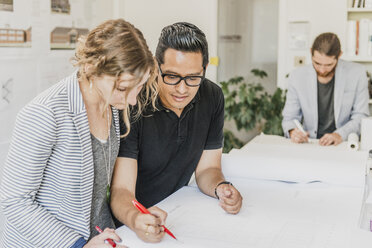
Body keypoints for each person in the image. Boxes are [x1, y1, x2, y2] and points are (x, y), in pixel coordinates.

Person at [0, 19, 157, 247]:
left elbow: (93, 194)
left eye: (139, 87)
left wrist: (135, 219)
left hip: (98, 237)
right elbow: (15, 202)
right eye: (123, 88)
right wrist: (78, 244)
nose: (131, 100)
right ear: (92, 68)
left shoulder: (110, 104)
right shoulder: (45, 112)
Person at [110, 22, 243, 243]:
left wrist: (221, 188)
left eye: (193, 78)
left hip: (179, 211)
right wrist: (136, 218)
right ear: (155, 65)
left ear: (205, 69)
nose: (182, 90)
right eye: (171, 76)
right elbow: (121, 189)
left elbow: (208, 168)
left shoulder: (212, 96)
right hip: (131, 225)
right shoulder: (134, 102)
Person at [282, 32, 369, 146]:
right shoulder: (297, 76)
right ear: (310, 52)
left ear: (339, 55)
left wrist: (340, 135)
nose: (322, 70)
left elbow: (361, 116)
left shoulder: (357, 74)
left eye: (328, 65)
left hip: (343, 144)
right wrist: (293, 132)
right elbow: (290, 118)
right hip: (310, 144)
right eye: (317, 63)